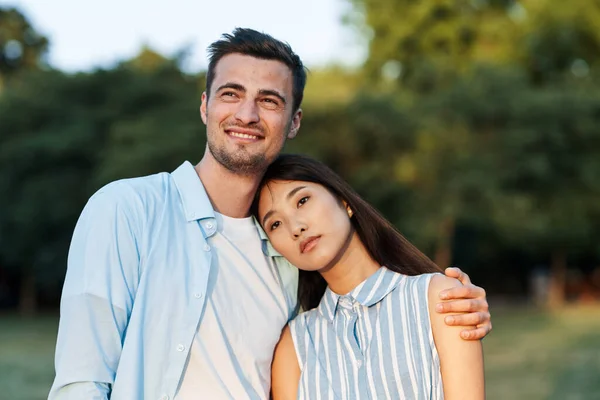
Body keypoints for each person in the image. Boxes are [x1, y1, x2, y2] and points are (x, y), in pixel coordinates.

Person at [49, 28, 491, 400]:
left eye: (269, 100)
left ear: (294, 121)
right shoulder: (126, 210)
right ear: (205, 106)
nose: (246, 113)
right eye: (231, 93)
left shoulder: (288, 252)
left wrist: (453, 301)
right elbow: (82, 379)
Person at [253, 154, 485, 400]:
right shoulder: (295, 345)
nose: (295, 227)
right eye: (275, 224)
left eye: (302, 201)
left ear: (344, 202)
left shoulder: (439, 298)